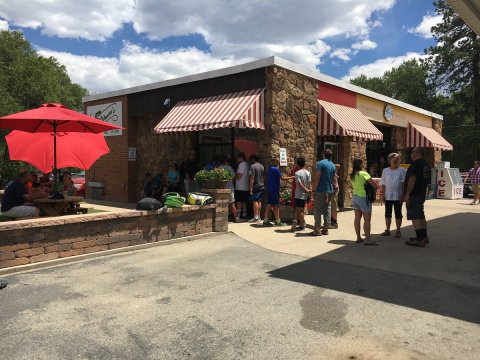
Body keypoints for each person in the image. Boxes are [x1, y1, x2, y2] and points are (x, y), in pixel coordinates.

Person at [404, 147, 431, 247]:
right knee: (420, 215)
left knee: (415, 216)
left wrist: (407, 194)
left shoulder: (416, 164)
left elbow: (412, 178)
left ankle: (419, 240)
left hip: (414, 194)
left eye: (412, 152)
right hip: (421, 193)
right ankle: (424, 236)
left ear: (417, 153)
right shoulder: (426, 164)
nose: (411, 154)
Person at [350, 158, 379, 245]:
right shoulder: (363, 173)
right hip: (363, 197)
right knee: (367, 220)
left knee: (357, 218)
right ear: (360, 164)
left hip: (355, 197)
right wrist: (374, 193)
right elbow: (374, 185)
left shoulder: (352, 175)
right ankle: (368, 239)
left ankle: (358, 238)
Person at [310, 149, 336, 236]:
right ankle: (325, 229)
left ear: (323, 154)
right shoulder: (333, 165)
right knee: (327, 208)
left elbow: (317, 178)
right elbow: (333, 179)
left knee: (317, 209)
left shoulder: (320, 163)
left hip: (321, 189)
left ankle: (317, 230)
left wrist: (313, 190)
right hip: (329, 189)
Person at [380, 153, 406, 238]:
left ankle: (398, 230)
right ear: (389, 160)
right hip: (388, 196)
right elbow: (383, 183)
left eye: (397, 159)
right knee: (388, 213)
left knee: (398, 213)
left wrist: (403, 195)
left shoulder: (402, 170)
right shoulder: (385, 171)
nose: (396, 160)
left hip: (398, 195)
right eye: (394, 158)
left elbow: (404, 184)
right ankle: (387, 230)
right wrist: (383, 195)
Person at [263, 158, 287, 227]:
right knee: (276, 205)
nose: (278, 163)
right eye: (277, 162)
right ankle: (277, 221)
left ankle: (265, 220)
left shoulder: (269, 169)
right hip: (274, 189)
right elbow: (282, 178)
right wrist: (292, 177)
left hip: (270, 189)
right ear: (273, 161)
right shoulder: (275, 169)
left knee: (269, 204)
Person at [219, 156, 244, 223]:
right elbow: (233, 177)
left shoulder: (218, 168)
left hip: (222, 188)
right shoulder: (229, 168)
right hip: (229, 187)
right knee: (232, 204)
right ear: (225, 161)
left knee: (223, 204)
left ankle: (225, 218)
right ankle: (236, 218)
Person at [291, 157, 311, 232]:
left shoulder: (297, 173)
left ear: (297, 164)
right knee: (301, 210)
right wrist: (310, 192)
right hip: (305, 195)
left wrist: (306, 191)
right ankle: (301, 223)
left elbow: (299, 184)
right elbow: (309, 183)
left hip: (299, 194)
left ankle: (302, 225)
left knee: (300, 211)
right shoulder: (308, 172)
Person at [248, 154, 265, 223]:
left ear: (253, 159)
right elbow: (264, 177)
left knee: (255, 201)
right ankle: (259, 216)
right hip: (261, 185)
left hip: (255, 186)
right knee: (259, 201)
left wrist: (251, 187)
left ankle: (256, 217)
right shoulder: (262, 166)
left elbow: (252, 177)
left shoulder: (252, 166)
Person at [234, 152, 250, 219]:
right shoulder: (247, 164)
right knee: (244, 201)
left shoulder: (241, 165)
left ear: (241, 158)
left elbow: (239, 175)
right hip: (245, 186)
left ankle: (238, 215)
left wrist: (233, 177)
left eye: (238, 158)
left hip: (240, 186)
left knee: (239, 201)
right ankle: (244, 214)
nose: (237, 159)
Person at [330, 164, 340, 229]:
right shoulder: (332, 171)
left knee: (334, 205)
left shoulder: (334, 170)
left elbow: (338, 165)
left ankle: (335, 221)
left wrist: (331, 165)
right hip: (331, 189)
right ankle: (331, 220)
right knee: (331, 205)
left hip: (334, 188)